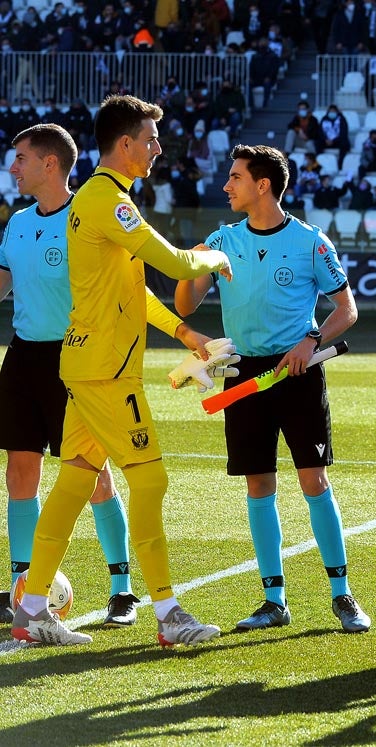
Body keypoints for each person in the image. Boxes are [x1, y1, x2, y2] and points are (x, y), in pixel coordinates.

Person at [10, 95, 233, 647]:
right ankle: (168, 613)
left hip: (87, 364)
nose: (158, 149)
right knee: (150, 479)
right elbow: (180, 265)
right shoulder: (110, 201)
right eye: (151, 139)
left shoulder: (106, 201)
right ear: (127, 144)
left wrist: (185, 334)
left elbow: (134, 291)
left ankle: (33, 607)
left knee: (74, 480)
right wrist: (219, 251)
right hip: (108, 371)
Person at [173, 143, 370, 635]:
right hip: (242, 374)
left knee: (313, 482)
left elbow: (347, 310)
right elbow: (184, 307)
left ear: (263, 185)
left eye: (235, 178)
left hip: (297, 374)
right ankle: (273, 599)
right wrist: (192, 266)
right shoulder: (222, 240)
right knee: (258, 484)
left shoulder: (310, 242)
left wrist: (311, 341)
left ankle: (342, 595)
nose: (226, 186)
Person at [0, 124, 139, 628]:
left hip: (75, 359)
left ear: (50, 164)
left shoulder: (89, 216)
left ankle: (122, 588)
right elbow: (3, 282)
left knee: (92, 473)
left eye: (20, 158)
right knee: (20, 470)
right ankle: (23, 583)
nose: (13, 167)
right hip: (23, 357)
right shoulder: (16, 223)